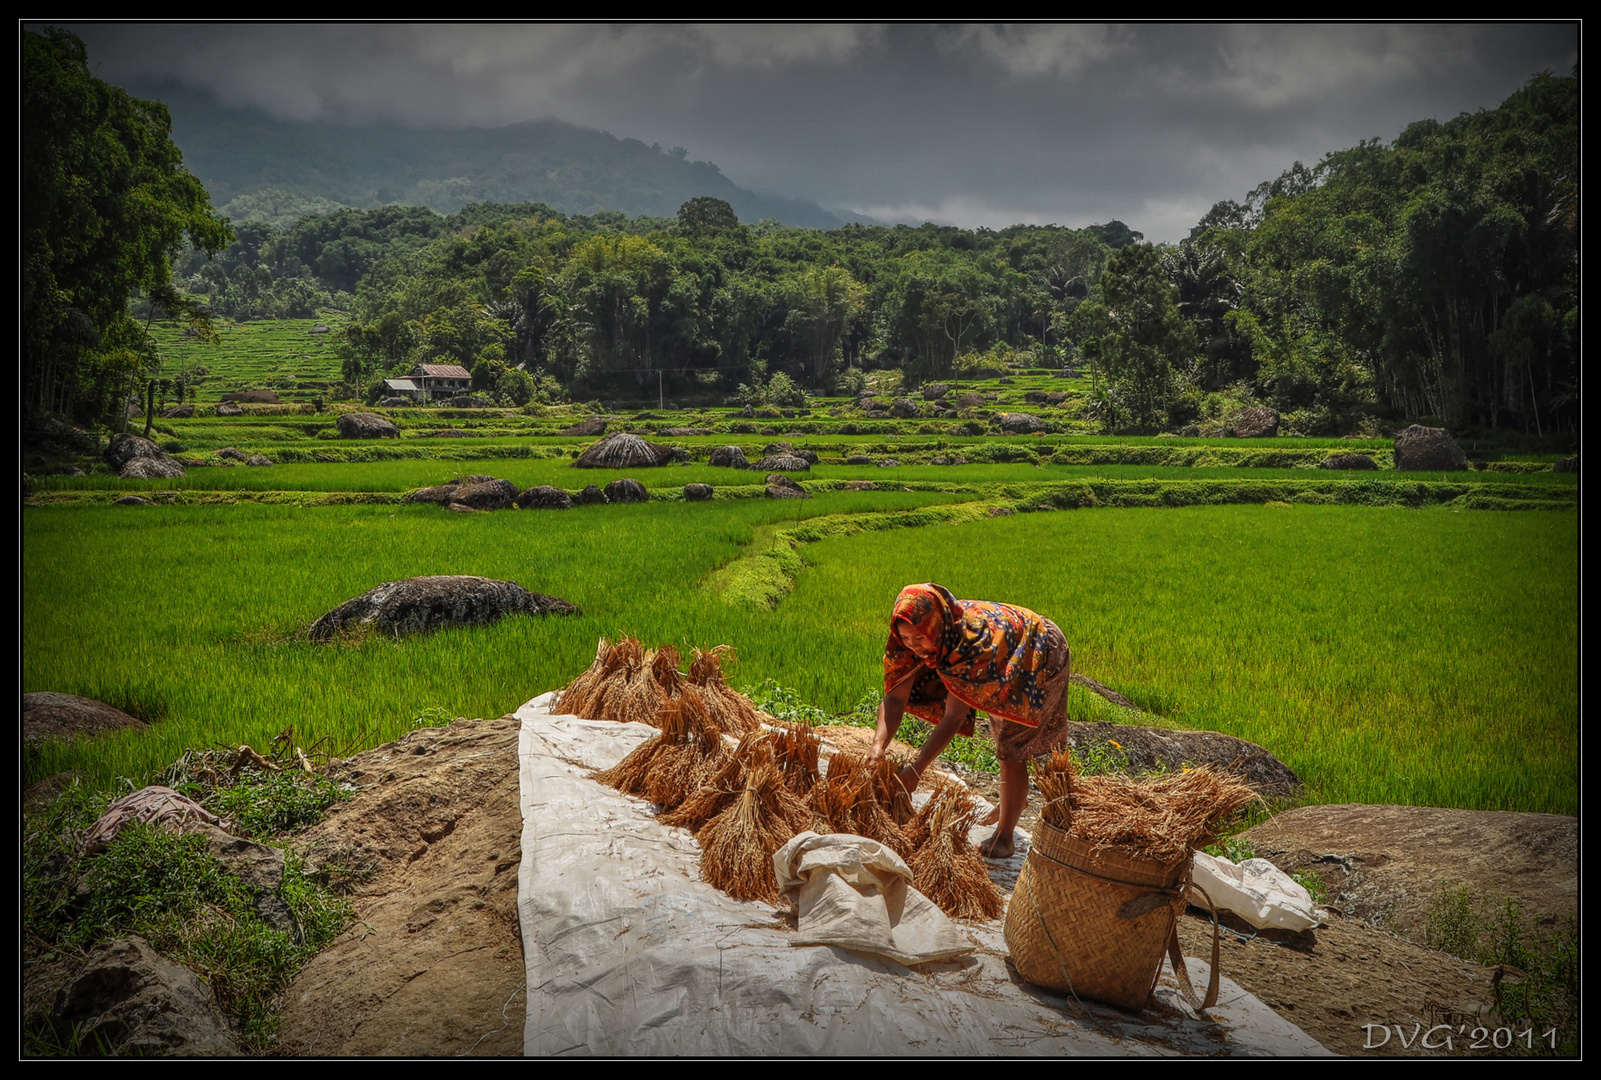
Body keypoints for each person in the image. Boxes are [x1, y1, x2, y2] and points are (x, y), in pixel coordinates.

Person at [866, 582, 1071, 859]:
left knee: (1011, 744)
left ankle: (1005, 836)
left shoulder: (967, 648)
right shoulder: (906, 642)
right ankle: (1015, 800)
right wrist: (878, 747)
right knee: (1002, 733)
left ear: (934, 627)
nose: (913, 647)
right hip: (1001, 649)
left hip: (1035, 647)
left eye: (919, 638)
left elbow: (953, 717)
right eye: (906, 638)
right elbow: (894, 698)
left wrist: (916, 771)